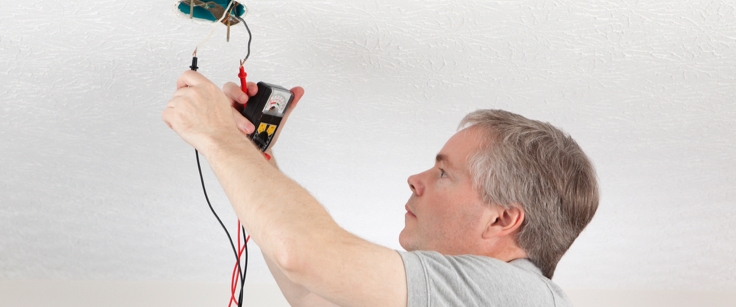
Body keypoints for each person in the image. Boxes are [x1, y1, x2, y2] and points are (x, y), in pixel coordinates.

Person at [163, 71, 599, 307]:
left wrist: (218, 136)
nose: (416, 179)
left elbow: (301, 253)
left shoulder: (520, 297)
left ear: (502, 219)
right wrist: (250, 154)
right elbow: (314, 292)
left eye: (443, 173)